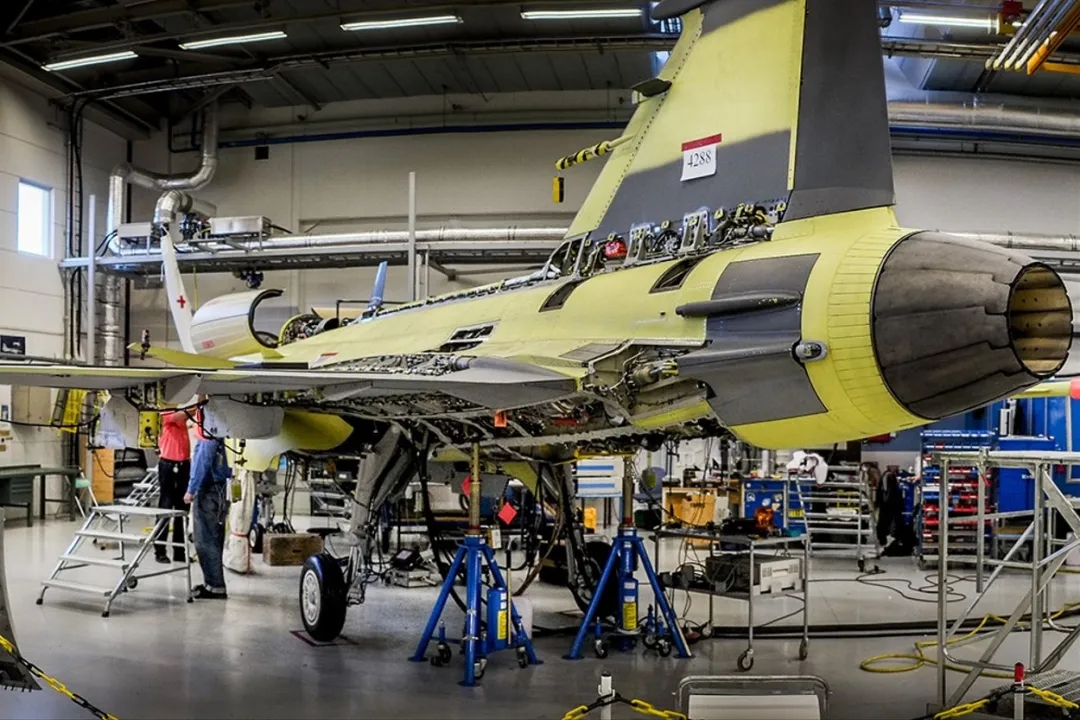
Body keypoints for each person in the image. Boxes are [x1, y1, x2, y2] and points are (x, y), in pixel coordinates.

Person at [184, 415, 231, 600]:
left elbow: (204, 458)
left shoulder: (210, 425)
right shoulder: (224, 423)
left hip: (209, 487)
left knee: (205, 538)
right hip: (222, 486)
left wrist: (191, 489)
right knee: (216, 536)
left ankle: (215, 586)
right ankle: (214, 583)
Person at [155, 410, 192, 563]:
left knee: (182, 508)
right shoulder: (165, 413)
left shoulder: (181, 416)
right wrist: (201, 402)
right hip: (168, 465)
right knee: (166, 506)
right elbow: (183, 415)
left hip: (184, 465)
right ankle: (160, 551)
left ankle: (179, 552)